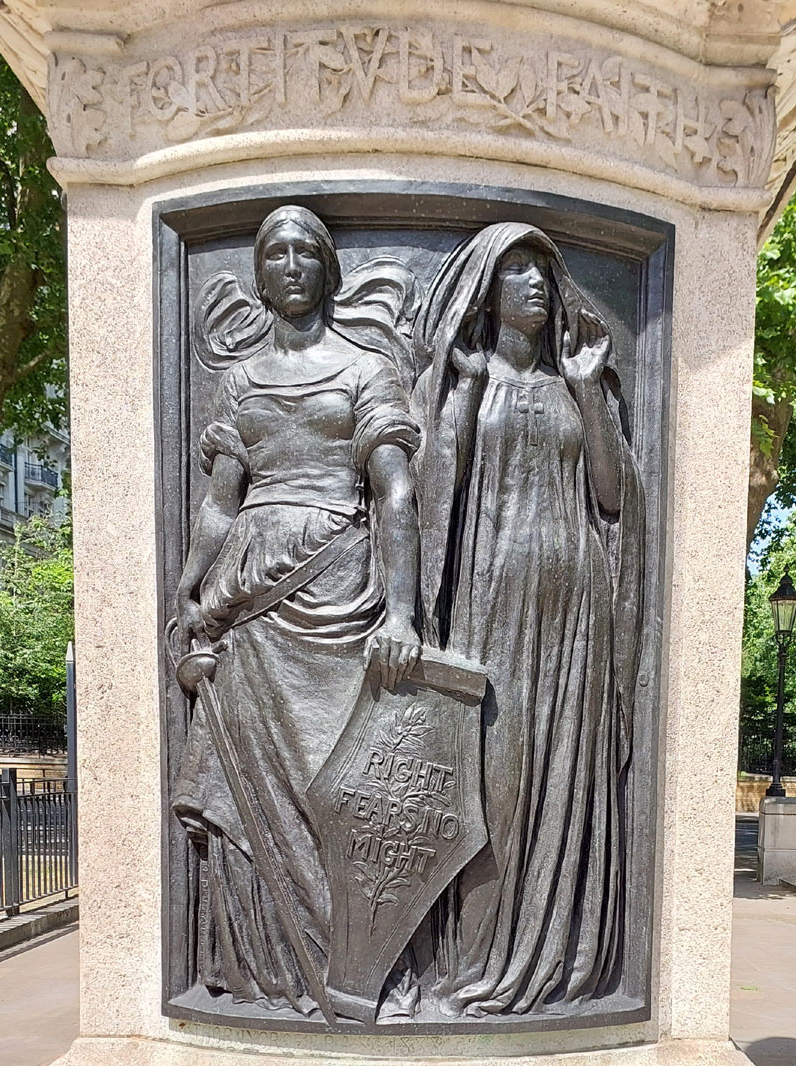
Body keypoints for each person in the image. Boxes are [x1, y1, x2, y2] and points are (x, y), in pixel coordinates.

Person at [173, 205, 421, 1017]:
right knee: (247, 788)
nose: (289, 264)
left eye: (304, 251)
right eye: (273, 251)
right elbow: (220, 502)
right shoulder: (238, 381)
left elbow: (394, 491)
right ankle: (268, 970)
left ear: (327, 268)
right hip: (248, 600)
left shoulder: (364, 369)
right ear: (259, 271)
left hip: (339, 588)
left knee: (335, 789)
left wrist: (404, 613)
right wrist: (191, 584)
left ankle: (358, 964)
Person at [411, 222, 645, 1016]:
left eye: (544, 272)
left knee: (555, 776)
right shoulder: (467, 383)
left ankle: (550, 958)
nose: (537, 285)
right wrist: (467, 388)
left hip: (574, 611)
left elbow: (611, 498)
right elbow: (433, 494)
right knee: (493, 785)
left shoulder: (578, 384)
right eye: (517, 272)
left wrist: (588, 388)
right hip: (488, 609)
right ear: (489, 290)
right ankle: (470, 965)